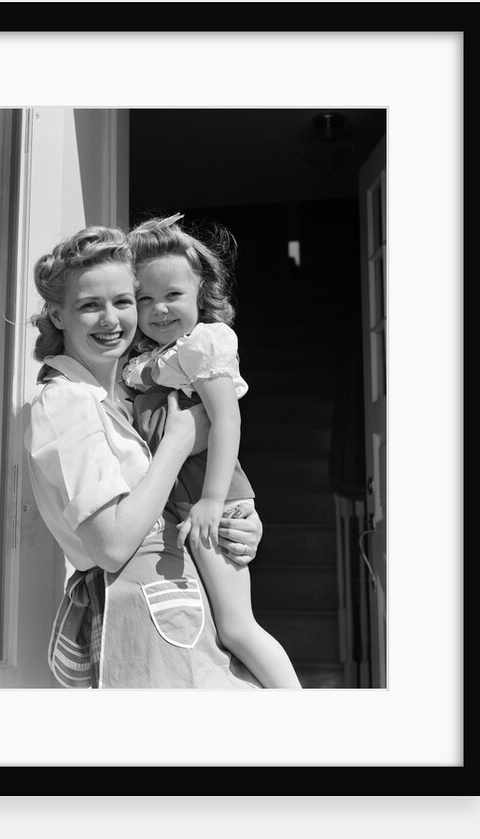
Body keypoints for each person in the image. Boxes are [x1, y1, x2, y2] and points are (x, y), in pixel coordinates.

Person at [23, 224, 266, 689]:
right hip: (144, 615)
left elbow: (168, 496)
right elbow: (112, 546)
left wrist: (237, 521)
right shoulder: (68, 402)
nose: (111, 319)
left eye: (123, 301)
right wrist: (176, 444)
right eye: (89, 305)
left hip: (178, 606)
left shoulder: (119, 396)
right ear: (56, 314)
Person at [122, 214, 302, 689]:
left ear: (200, 291)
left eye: (173, 295)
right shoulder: (146, 357)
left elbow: (226, 419)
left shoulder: (203, 344)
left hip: (212, 502)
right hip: (182, 501)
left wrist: (214, 500)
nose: (158, 308)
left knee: (236, 627)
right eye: (144, 299)